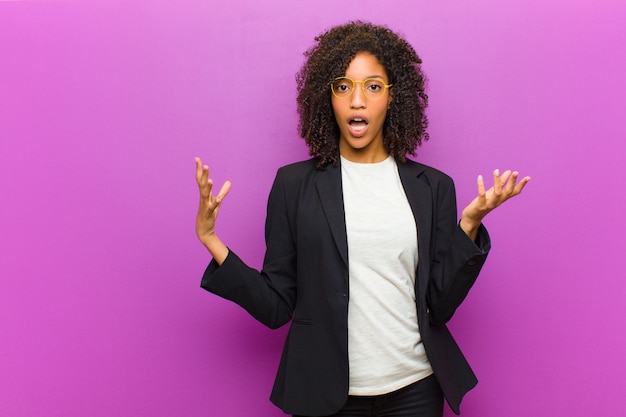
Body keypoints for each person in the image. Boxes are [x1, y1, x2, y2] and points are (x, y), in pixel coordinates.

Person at [194, 21, 530, 417]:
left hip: (416, 390)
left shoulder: (433, 188)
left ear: (392, 98)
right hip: (326, 394)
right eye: (343, 86)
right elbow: (276, 307)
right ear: (328, 97)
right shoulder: (294, 185)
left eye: (372, 86)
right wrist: (211, 239)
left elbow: (439, 305)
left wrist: (469, 225)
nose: (357, 101)